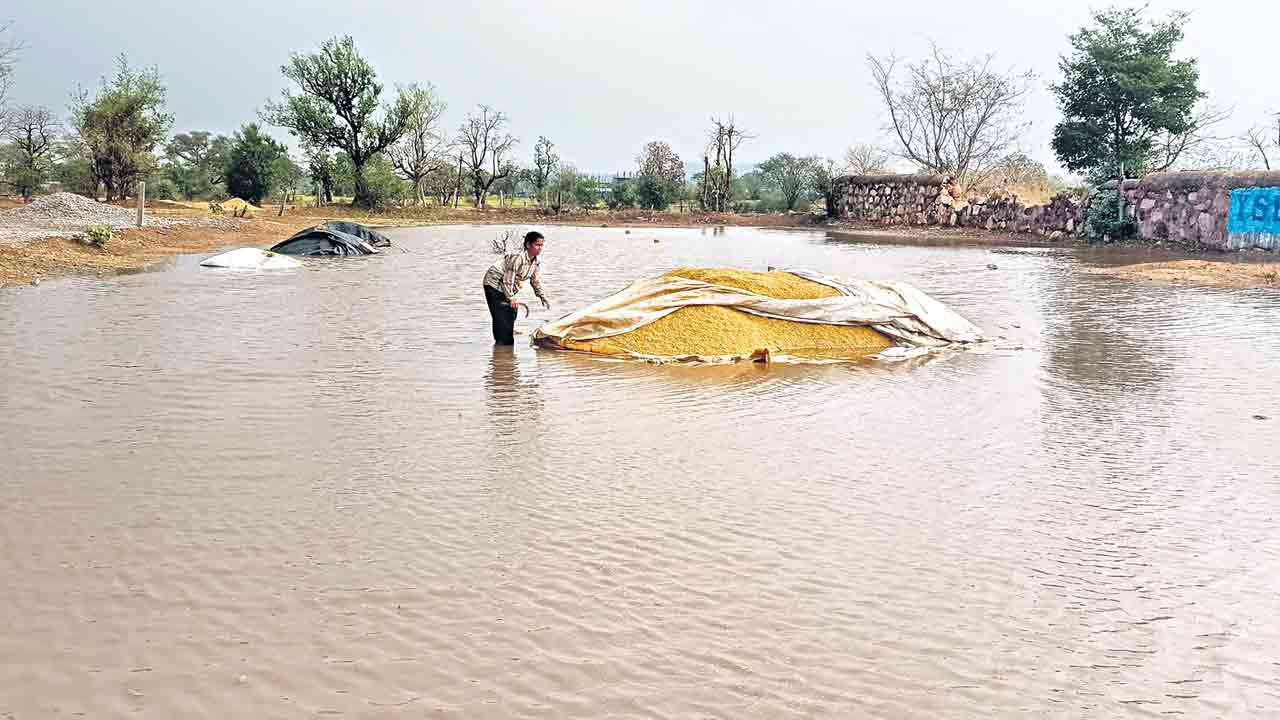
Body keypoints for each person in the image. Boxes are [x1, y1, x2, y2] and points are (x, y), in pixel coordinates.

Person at [483, 231, 551, 345]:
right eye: (537, 245)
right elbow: (507, 279)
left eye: (542, 245)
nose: (540, 248)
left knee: (512, 311)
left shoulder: (535, 262)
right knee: (501, 315)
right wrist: (511, 297)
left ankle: (507, 335)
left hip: (507, 285)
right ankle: (502, 348)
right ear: (528, 245)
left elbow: (535, 281)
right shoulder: (518, 257)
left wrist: (542, 296)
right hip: (493, 283)